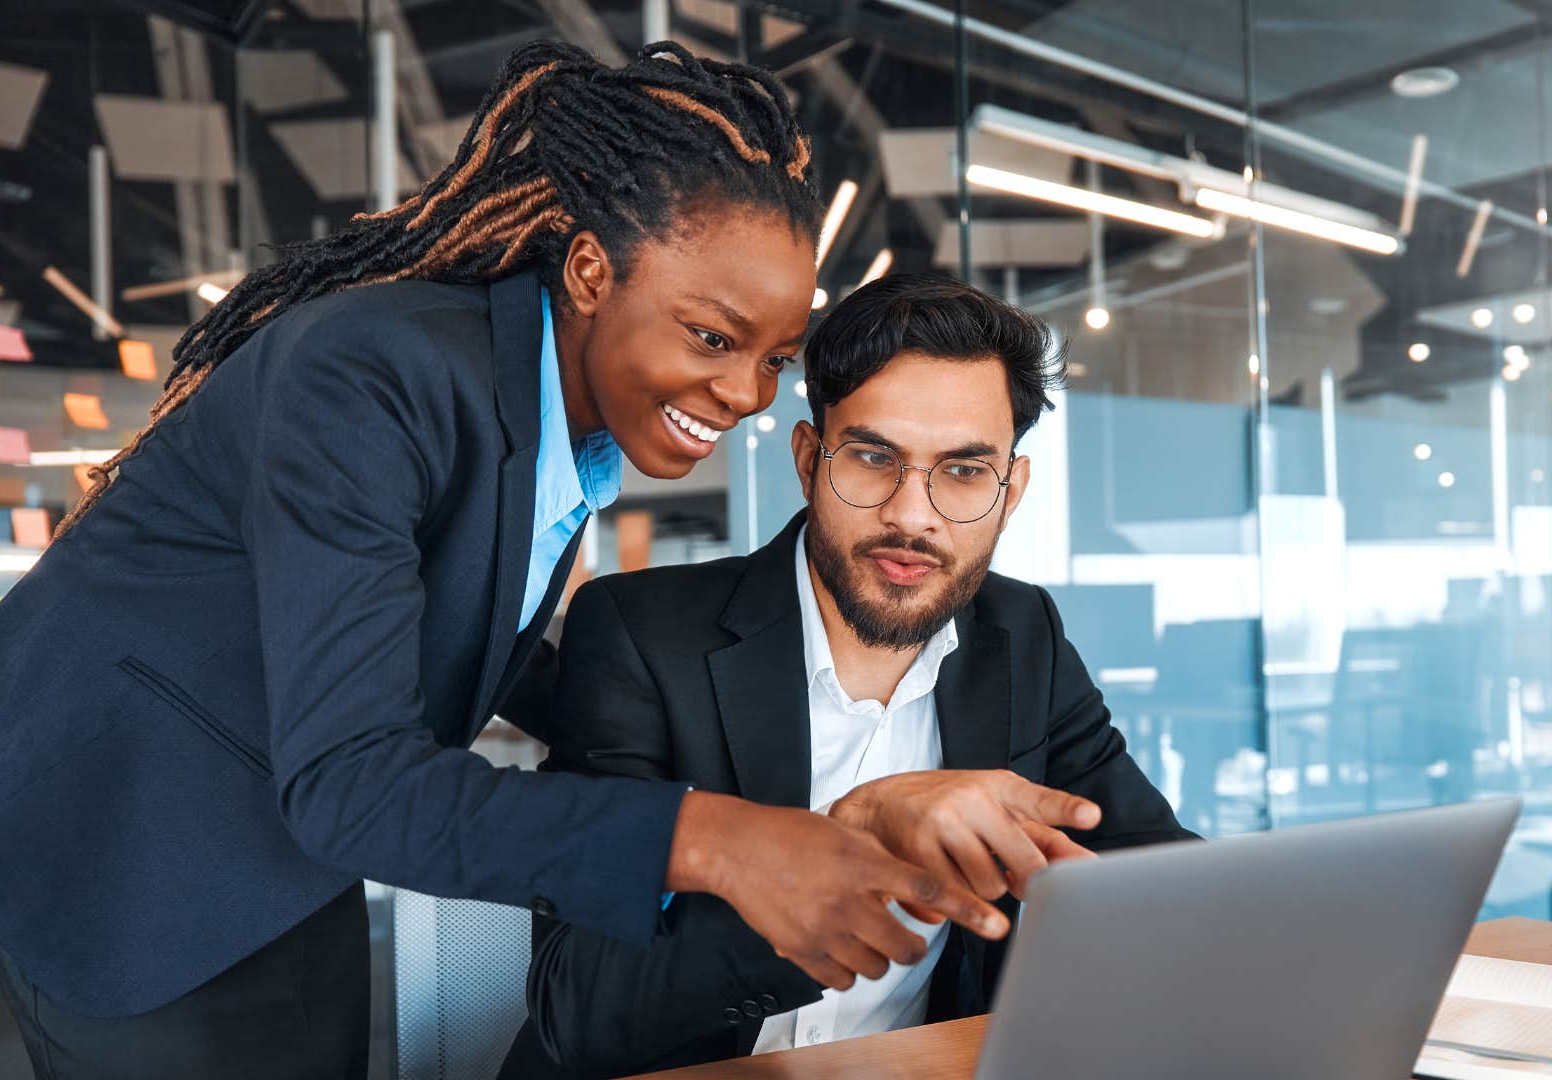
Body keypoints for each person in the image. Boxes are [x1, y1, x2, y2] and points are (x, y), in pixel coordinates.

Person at [0, 44, 1015, 1079]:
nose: (748, 393)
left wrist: (767, 752)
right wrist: (714, 838)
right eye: (711, 336)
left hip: (278, 845)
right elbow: (353, 782)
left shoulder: (555, 418)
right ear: (588, 272)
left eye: (773, 359)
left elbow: (461, 631)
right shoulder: (373, 375)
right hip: (117, 840)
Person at [499, 274, 1196, 1078]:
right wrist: (844, 847)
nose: (913, 514)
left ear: (1012, 493)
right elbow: (579, 1008)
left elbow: (1163, 880)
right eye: (872, 458)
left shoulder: (1021, 636)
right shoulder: (641, 636)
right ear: (808, 459)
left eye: (965, 472)